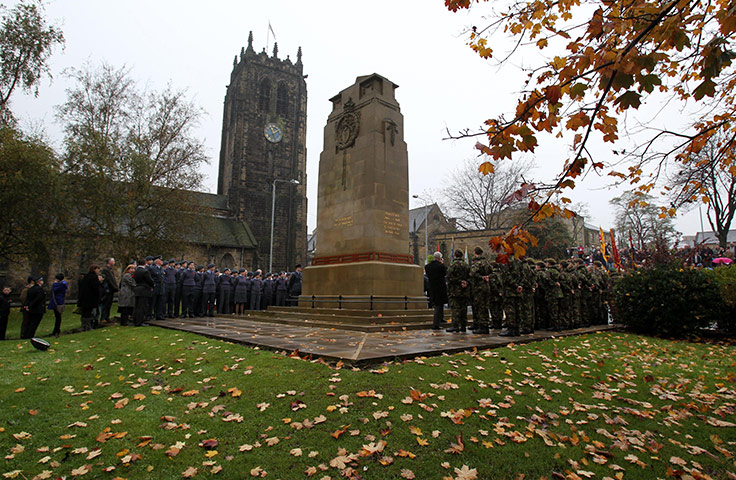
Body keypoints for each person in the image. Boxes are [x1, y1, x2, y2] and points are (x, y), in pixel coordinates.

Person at [446, 250, 470, 333]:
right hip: (464, 290)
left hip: (455, 290)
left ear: (455, 255)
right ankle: (463, 326)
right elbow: (470, 275)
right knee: (463, 308)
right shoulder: (466, 265)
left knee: (455, 309)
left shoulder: (453, 265)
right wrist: (465, 282)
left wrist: (459, 281)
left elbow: (449, 276)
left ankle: (455, 325)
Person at [469, 247, 492, 334]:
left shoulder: (476, 263)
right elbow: (491, 271)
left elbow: (472, 273)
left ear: (475, 252)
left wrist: (481, 277)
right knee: (485, 307)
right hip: (486, 286)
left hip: (478, 287)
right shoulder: (486, 262)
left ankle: (482, 327)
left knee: (480, 307)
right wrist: (487, 276)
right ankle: (484, 324)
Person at [425, 252, 448, 330]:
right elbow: (445, 272)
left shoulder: (427, 266)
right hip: (440, 288)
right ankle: (436, 324)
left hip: (432, 288)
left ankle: (441, 318)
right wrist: (442, 264)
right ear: (440, 258)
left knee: (439, 305)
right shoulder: (441, 266)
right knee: (438, 306)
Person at [78, 265, 101, 331]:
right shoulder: (93, 277)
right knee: (88, 312)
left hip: (84, 298)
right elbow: (95, 288)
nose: (98, 271)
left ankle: (84, 325)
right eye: (98, 269)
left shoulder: (86, 277)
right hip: (90, 298)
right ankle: (88, 326)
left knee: (84, 313)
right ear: (95, 269)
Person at [133, 259, 154, 326]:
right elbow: (150, 281)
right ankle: (140, 321)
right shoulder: (145, 271)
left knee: (137, 306)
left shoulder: (136, 271)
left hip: (137, 289)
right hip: (144, 290)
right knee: (142, 307)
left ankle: (135, 320)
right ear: (145, 263)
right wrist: (153, 285)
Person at [100, 258, 118, 324]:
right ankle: (103, 318)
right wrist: (114, 287)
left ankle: (107, 317)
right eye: (113, 261)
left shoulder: (110, 270)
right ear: (109, 262)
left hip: (111, 290)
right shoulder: (106, 270)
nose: (114, 262)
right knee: (105, 304)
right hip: (108, 290)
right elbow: (108, 280)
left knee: (109, 304)